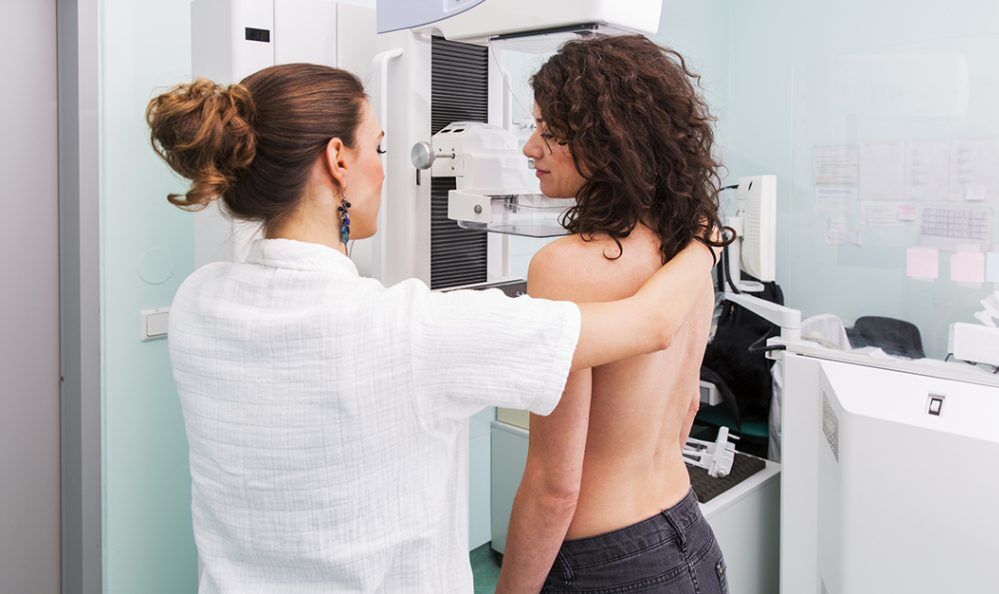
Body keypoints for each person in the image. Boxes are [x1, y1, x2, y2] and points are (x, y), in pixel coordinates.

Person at [145, 63, 720, 593]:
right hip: (683, 527)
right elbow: (652, 326)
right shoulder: (412, 330)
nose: (387, 167)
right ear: (338, 160)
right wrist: (706, 235)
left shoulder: (197, 301)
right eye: (380, 147)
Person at [497, 36, 730, 594]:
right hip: (689, 534)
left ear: (609, 140)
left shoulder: (566, 267)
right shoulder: (689, 246)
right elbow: (686, 406)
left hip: (608, 564)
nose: (530, 148)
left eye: (549, 132)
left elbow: (556, 484)